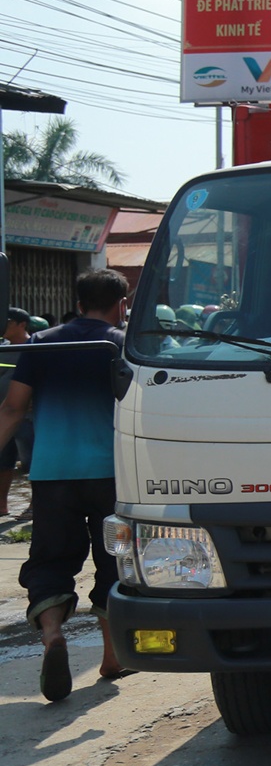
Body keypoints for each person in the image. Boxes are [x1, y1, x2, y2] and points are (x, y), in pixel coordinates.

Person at [0, 270, 132, 701]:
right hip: (113, 474)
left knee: (51, 560)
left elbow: (13, 407)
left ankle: (54, 633)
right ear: (121, 304)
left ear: (77, 303)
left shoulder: (41, 343)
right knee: (115, 560)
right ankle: (113, 656)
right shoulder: (121, 343)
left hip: (52, 473)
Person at [0, 307, 31, 516]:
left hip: (29, 416)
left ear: (22, 324)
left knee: (32, 463)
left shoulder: (36, 347)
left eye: (8, 321)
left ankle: (34, 505)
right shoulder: (3, 349)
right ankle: (2, 506)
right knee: (4, 461)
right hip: (4, 414)